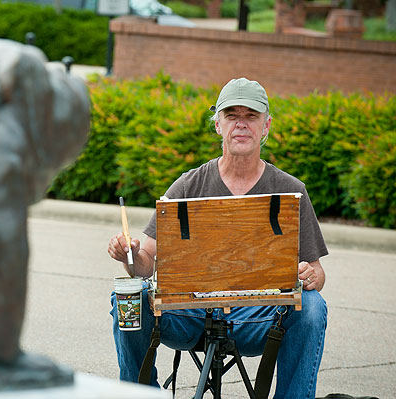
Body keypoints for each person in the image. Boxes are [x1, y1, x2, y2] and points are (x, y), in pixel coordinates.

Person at [107, 77, 328, 399]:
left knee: (311, 306)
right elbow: (146, 264)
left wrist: (311, 275)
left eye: (250, 116)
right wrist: (128, 253)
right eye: (231, 116)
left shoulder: (290, 189)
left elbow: (317, 272)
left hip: (258, 317)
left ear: (265, 126)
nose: (241, 125)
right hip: (189, 315)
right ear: (218, 125)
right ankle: (140, 394)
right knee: (129, 298)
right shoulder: (188, 185)